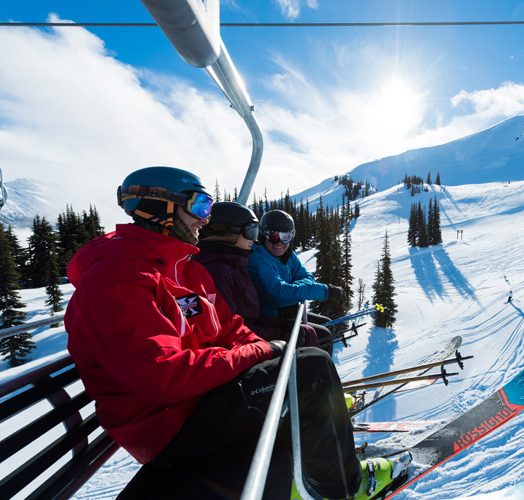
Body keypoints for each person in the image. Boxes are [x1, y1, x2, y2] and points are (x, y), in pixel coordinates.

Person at [64, 167, 365, 499]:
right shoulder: (117, 277)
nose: (205, 220)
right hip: (167, 426)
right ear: (158, 207)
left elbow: (231, 328)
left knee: (303, 363)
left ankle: (316, 460)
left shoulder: (187, 270)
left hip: (200, 401)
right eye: (199, 207)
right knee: (310, 369)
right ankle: (342, 491)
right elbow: (162, 375)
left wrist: (259, 350)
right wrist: (262, 352)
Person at [192, 201, 319, 347]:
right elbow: (229, 330)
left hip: (252, 335)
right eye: (251, 231)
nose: (255, 239)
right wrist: (278, 333)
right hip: (239, 348)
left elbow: (253, 314)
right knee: (316, 352)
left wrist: (282, 325)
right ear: (228, 232)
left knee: (310, 333)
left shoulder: (237, 263)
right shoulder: (217, 271)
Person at [247, 209, 346, 349]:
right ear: (263, 235)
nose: (279, 242)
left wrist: (292, 291)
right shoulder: (258, 258)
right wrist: (325, 291)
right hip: (269, 318)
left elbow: (307, 278)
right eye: (273, 236)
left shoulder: (288, 255)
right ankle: (314, 368)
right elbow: (278, 293)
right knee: (323, 334)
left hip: (284, 313)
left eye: (286, 237)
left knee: (327, 324)